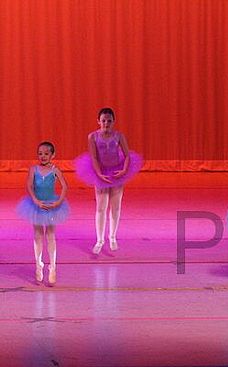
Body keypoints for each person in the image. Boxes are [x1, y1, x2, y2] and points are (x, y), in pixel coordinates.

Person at [74, 107, 142, 254]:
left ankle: (112, 237)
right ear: (98, 121)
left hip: (117, 172)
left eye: (109, 121)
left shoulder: (119, 136)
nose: (106, 123)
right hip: (101, 173)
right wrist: (99, 174)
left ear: (113, 122)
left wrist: (123, 170)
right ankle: (99, 240)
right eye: (103, 120)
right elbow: (93, 157)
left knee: (116, 206)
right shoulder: (92, 137)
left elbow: (127, 155)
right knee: (101, 207)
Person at [16, 142, 69, 285]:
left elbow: (65, 186)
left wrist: (58, 202)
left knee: (51, 235)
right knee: (38, 235)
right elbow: (29, 185)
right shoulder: (33, 169)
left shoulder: (55, 170)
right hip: (37, 205)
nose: (43, 156)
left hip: (51, 205)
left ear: (53, 155)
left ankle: (52, 267)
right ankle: (39, 265)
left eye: (46, 153)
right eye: (40, 153)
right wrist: (35, 200)